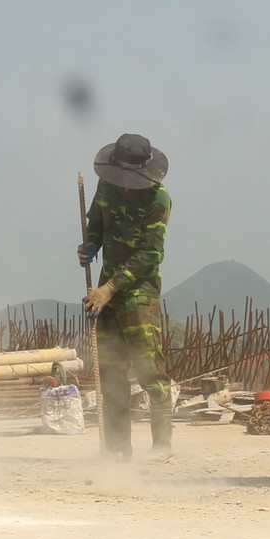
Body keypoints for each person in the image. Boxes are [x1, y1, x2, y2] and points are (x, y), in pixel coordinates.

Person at [79, 133, 174, 461]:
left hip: (139, 295)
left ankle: (162, 446)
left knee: (150, 371)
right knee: (111, 373)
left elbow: (150, 253)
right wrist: (90, 245)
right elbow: (95, 222)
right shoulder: (106, 186)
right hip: (105, 295)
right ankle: (118, 447)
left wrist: (110, 287)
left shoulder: (158, 199)